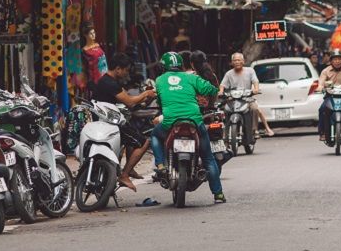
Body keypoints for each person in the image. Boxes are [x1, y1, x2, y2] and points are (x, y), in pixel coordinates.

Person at [151, 51, 225, 203]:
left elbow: (159, 100)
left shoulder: (159, 80)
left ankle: (160, 165)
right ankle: (218, 194)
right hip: (194, 121)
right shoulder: (191, 77)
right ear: (181, 65)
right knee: (208, 159)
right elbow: (211, 90)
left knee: (155, 135)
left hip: (170, 121)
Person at [92, 52, 157, 191]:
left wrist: (146, 98)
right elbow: (129, 101)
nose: (127, 73)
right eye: (126, 70)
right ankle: (125, 174)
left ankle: (129, 168)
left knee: (131, 132)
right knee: (144, 142)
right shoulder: (110, 83)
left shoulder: (108, 81)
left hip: (105, 121)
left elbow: (130, 102)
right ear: (118, 69)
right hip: (108, 123)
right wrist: (145, 94)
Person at [221, 52, 274, 138]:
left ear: (243, 61)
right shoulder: (228, 74)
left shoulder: (250, 71)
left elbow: (255, 81)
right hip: (233, 99)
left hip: (247, 98)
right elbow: (222, 85)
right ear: (232, 62)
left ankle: (254, 130)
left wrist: (256, 89)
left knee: (254, 108)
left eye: (239, 60)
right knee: (226, 111)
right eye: (235, 60)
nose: (237, 62)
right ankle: (226, 135)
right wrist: (221, 91)